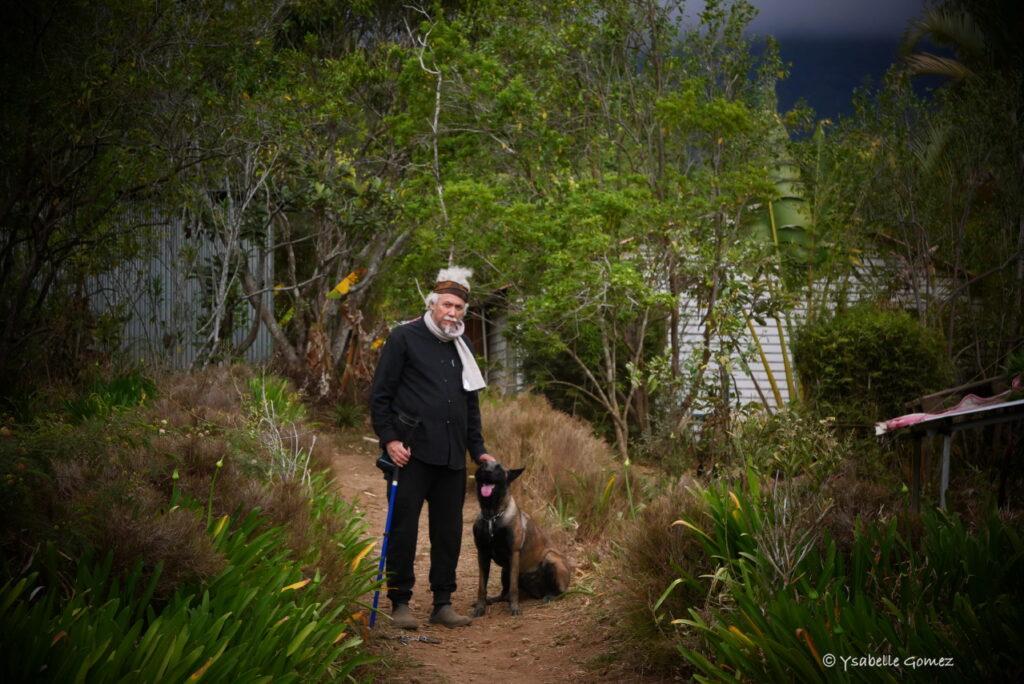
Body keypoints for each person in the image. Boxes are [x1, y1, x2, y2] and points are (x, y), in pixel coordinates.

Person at [370, 266, 495, 629]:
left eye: (458, 308)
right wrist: (390, 440)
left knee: (448, 533)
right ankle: (400, 603)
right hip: (410, 455)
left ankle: (442, 603)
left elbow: (470, 404)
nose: (452, 313)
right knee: (404, 530)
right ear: (432, 303)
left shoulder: (463, 345)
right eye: (447, 305)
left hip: (452, 456)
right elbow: (380, 396)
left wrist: (479, 450)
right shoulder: (403, 338)